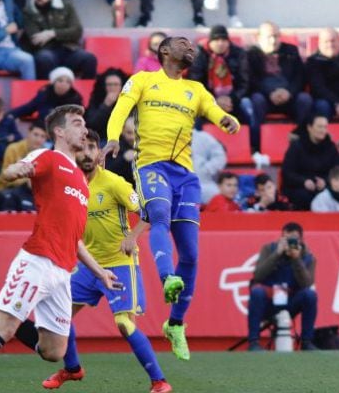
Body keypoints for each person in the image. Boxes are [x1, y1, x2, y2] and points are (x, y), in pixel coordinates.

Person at [0, 105, 121, 393]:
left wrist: (100, 272)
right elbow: (12, 170)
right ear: (59, 131)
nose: (84, 129)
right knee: (3, 329)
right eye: (77, 123)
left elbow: (75, 239)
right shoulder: (48, 157)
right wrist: (18, 170)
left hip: (62, 272)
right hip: (37, 261)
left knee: (54, 351)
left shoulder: (81, 180)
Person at [103, 35, 240, 361]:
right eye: (182, 43)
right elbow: (121, 108)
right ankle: (168, 278)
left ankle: (175, 324)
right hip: (151, 165)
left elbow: (215, 111)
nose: (190, 47)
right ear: (163, 50)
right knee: (159, 216)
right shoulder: (143, 80)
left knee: (191, 254)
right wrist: (112, 138)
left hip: (186, 176)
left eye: (192, 46)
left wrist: (228, 120)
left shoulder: (196, 90)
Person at [40, 130, 173, 393]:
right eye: (82, 148)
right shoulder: (69, 187)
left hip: (120, 263)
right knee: (59, 315)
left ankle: (159, 381)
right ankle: (72, 369)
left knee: (124, 324)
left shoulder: (114, 183)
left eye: (92, 147)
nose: (87, 153)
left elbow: (149, 212)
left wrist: (133, 236)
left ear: (99, 152)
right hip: (89, 266)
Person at [247, 222, 317, 351]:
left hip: (292, 301)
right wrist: (277, 254)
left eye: (293, 239)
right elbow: (258, 276)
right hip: (270, 300)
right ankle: (253, 342)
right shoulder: (268, 249)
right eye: (285, 238)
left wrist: (296, 259)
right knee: (257, 292)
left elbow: (306, 284)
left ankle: (306, 342)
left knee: (310, 295)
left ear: (301, 240)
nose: (289, 243)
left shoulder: (308, 256)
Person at [188, 25, 252, 154]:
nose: (220, 43)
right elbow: (195, 84)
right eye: (216, 40)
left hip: (233, 101)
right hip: (208, 102)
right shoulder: (199, 55)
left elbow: (245, 83)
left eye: (224, 40)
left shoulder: (239, 54)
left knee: (249, 105)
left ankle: (254, 148)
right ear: (210, 41)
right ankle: (196, 150)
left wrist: (232, 99)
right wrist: (215, 101)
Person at [248, 21, 313, 146]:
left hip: (288, 97)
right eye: (269, 37)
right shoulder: (251, 54)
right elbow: (252, 80)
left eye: (276, 36)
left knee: (305, 99)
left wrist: (289, 92)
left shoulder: (291, 51)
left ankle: (303, 142)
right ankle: (256, 146)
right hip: (266, 98)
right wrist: (270, 93)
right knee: (256, 100)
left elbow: (300, 77)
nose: (273, 41)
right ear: (259, 38)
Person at [22, 0, 94, 79]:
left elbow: (77, 31)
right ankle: (46, 89)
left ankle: (87, 89)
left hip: (69, 50)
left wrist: (52, 33)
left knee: (89, 59)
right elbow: (36, 39)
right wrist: (66, 34)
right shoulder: (28, 12)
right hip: (47, 51)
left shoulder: (66, 6)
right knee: (43, 59)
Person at [281, 114, 339, 210]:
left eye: (325, 127)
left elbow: (336, 171)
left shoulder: (331, 147)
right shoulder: (296, 147)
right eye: (319, 127)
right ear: (309, 127)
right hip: (298, 187)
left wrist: (325, 181)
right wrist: (304, 182)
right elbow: (287, 172)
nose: (323, 130)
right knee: (303, 196)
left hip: (324, 188)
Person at [0, 121, 47, 210]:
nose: (38, 139)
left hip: (32, 191)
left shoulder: (45, 154)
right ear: (28, 133)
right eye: (36, 134)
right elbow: (4, 177)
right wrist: (27, 181)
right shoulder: (13, 149)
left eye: (42, 136)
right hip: (8, 189)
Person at [10, 67, 84, 122]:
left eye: (68, 82)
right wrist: (10, 115)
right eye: (60, 81)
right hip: (43, 132)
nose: (64, 84)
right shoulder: (44, 95)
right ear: (53, 82)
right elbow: (28, 108)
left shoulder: (75, 99)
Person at [85, 68, 128, 141]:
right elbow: (92, 125)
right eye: (109, 85)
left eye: (116, 84)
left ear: (122, 86)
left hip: (125, 139)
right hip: (102, 138)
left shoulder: (129, 99)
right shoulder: (97, 99)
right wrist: (105, 105)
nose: (112, 88)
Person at [192, 125, 228, 203]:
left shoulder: (203, 137)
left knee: (218, 197)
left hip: (204, 182)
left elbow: (220, 156)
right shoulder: (168, 137)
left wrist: (207, 169)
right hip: (177, 184)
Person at [105, 117, 137, 186]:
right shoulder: (114, 147)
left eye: (136, 133)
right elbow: (106, 171)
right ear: (122, 131)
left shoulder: (148, 146)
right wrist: (124, 159)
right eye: (129, 133)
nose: (133, 137)